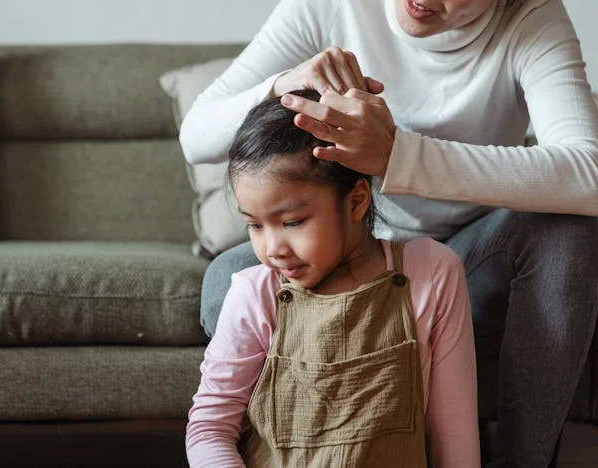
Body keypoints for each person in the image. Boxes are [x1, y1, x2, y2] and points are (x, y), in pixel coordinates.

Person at [180, 0, 598, 466]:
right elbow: (196, 136)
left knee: (568, 233)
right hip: (345, 239)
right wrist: (281, 84)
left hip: (469, 256)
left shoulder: (530, 19)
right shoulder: (328, 6)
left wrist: (397, 155)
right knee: (225, 281)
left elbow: (587, 175)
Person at [185, 90, 480, 467]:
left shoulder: (431, 272)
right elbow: (209, 429)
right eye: (254, 226)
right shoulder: (254, 294)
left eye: (293, 222)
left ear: (356, 201)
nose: (272, 249)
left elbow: (455, 440)